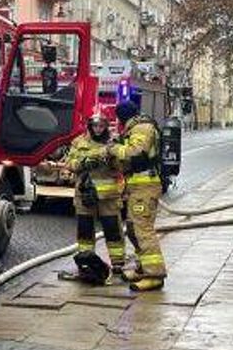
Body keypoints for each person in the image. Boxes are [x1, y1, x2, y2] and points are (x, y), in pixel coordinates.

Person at [106, 100, 166, 292]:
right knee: (133, 229)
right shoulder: (134, 129)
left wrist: (113, 148)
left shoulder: (142, 128)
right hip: (136, 187)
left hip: (145, 187)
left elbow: (135, 152)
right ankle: (142, 268)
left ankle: (154, 275)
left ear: (122, 116)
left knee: (143, 230)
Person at [63, 114, 126, 284]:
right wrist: (84, 163)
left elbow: (123, 165)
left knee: (113, 229)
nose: (98, 129)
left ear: (106, 126)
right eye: (95, 126)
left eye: (102, 126)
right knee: (85, 230)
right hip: (84, 193)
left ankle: (118, 263)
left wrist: (111, 160)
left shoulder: (113, 143)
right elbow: (69, 163)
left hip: (108, 196)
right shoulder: (79, 142)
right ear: (90, 126)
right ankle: (86, 261)